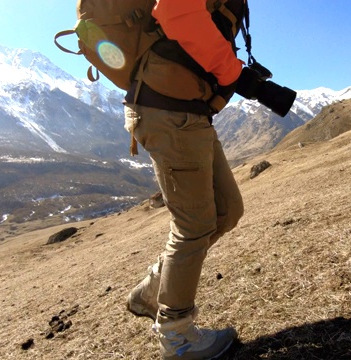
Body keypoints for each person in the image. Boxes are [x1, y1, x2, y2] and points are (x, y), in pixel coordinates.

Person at [123, 0, 246, 358]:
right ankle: (176, 336)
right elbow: (175, 9)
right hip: (169, 110)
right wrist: (230, 71)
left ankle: (151, 292)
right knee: (194, 225)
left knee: (227, 210)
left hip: (191, 109)